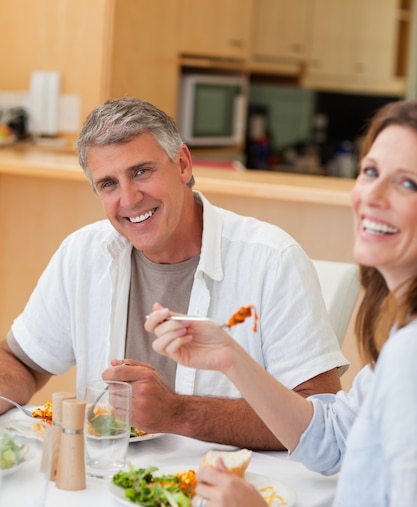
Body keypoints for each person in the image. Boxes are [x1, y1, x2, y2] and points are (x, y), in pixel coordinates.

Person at [144, 98, 417, 507]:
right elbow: (333, 438)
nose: (373, 197)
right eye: (370, 172)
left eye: (408, 184)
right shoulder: (401, 337)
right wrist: (231, 358)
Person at [0, 97, 346, 450]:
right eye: (109, 184)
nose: (130, 198)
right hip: (102, 486)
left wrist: (180, 413)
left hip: (228, 491)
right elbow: (21, 362)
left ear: (182, 165)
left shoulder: (272, 260)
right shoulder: (82, 254)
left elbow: (321, 420)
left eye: (141, 172)